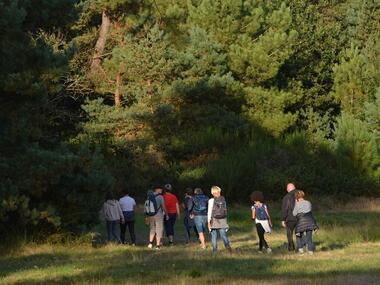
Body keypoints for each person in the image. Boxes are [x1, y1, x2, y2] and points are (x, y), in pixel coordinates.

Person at [293, 191, 318, 255]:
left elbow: (294, 213)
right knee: (309, 237)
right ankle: (310, 251)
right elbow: (309, 210)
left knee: (298, 235)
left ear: (296, 197)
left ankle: (301, 249)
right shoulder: (308, 202)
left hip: (300, 222)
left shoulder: (297, 204)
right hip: (309, 221)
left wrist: (296, 203)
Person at [208, 186, 231, 252]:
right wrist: (226, 222)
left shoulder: (211, 200)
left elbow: (209, 212)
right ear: (219, 191)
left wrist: (209, 222)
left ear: (212, 193)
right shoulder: (223, 199)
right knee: (223, 235)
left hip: (214, 220)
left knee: (213, 236)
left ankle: (214, 251)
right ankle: (228, 249)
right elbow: (225, 211)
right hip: (222, 220)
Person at [281, 183, 298, 251]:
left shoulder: (287, 197)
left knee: (289, 233)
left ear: (288, 189)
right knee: (299, 233)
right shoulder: (300, 194)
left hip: (290, 218)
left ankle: (291, 247)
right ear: (294, 187)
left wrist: (283, 219)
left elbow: (285, 209)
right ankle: (301, 247)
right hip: (300, 217)